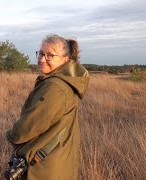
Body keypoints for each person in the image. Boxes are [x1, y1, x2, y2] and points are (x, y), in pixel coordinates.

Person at [6, 34, 90, 180]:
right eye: (41, 53)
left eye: (50, 55)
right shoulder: (63, 82)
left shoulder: (55, 87)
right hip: (58, 159)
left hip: (45, 166)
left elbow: (31, 124)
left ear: (65, 59)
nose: (42, 59)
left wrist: (11, 135)